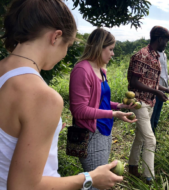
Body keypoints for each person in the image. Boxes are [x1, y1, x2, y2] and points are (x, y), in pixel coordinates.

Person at [0, 0, 122, 190]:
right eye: (68, 45)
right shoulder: (43, 97)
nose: (65, 54)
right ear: (56, 37)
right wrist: (89, 178)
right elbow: (23, 186)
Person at [69, 28, 137, 190]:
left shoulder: (101, 70)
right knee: (95, 183)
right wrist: (114, 114)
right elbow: (79, 110)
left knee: (98, 180)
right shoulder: (82, 70)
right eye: (111, 49)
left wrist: (119, 106)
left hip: (104, 130)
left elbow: (101, 102)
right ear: (99, 47)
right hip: (91, 134)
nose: (113, 54)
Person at [127, 26, 169, 183]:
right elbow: (134, 82)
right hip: (139, 102)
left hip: (149, 101)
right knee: (150, 139)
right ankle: (149, 177)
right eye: (166, 41)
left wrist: (168, 90)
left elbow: (152, 82)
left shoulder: (155, 56)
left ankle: (132, 168)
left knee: (140, 137)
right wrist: (157, 92)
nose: (167, 44)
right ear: (159, 39)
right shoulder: (141, 56)